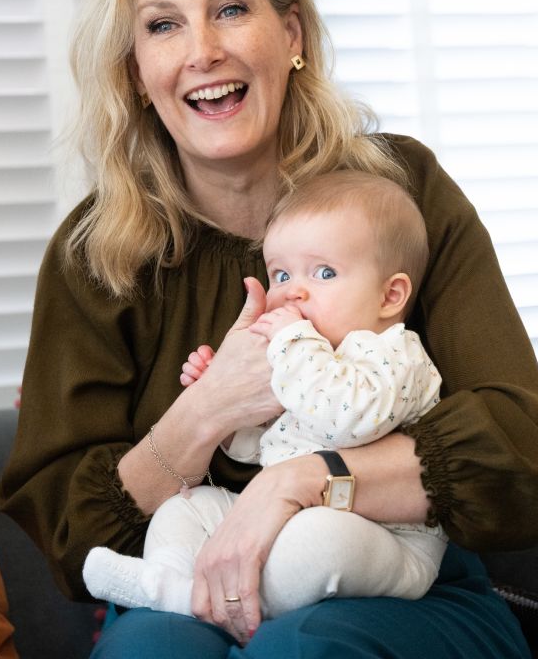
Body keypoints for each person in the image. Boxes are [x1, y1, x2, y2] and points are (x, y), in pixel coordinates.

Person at [0, 0, 538, 658]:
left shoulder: (402, 190)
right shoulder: (96, 254)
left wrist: (299, 481)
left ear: (291, 32)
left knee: (296, 650)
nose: (203, 50)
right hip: (189, 593)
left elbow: (518, 456)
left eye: (231, 9)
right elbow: (75, 539)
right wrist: (212, 407)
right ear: (137, 72)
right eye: (163, 25)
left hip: (398, 580)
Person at [82, 171, 449, 619]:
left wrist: (294, 344)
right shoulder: (310, 360)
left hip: (387, 539)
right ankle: (169, 579)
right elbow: (267, 449)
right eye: (281, 273)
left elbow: (350, 422)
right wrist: (224, 406)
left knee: (318, 541)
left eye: (324, 272)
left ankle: (193, 604)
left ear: (390, 296)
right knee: (188, 509)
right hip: (282, 520)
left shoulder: (395, 355)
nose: (293, 290)